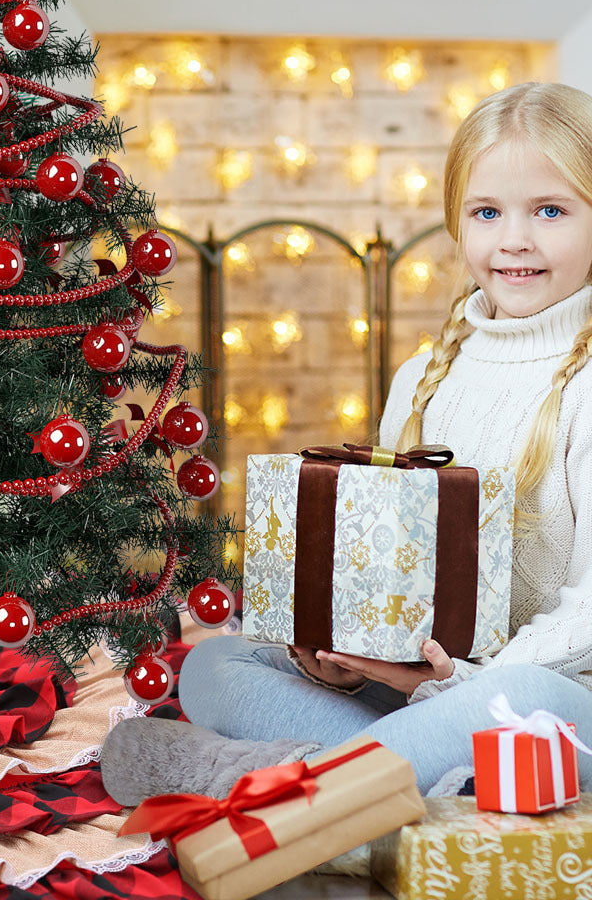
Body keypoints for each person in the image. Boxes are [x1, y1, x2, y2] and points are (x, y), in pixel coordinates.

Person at [101, 81, 592, 806]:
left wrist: (459, 683)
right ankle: (371, 786)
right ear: (458, 223)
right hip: (421, 694)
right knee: (216, 664)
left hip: (544, 698)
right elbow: (396, 571)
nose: (514, 239)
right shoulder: (425, 374)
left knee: (519, 696)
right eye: (487, 212)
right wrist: (349, 661)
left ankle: (276, 786)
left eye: (550, 211)